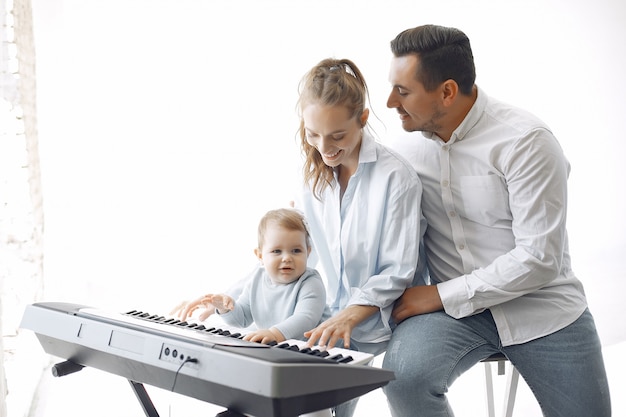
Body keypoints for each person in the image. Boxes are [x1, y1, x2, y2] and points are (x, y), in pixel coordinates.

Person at [382, 24, 611, 417]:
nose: (390, 102)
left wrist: (438, 294)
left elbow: (539, 259)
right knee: (403, 379)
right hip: (454, 317)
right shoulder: (404, 148)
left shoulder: (526, 141)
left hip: (543, 308)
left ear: (447, 92)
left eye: (403, 91)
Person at [172, 208, 330, 345]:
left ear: (308, 252)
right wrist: (224, 309)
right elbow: (242, 319)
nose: (287, 258)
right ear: (260, 255)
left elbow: (305, 318)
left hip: (318, 352)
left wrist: (274, 333)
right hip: (281, 347)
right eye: (276, 251)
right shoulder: (257, 279)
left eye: (296, 251)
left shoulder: (310, 282)